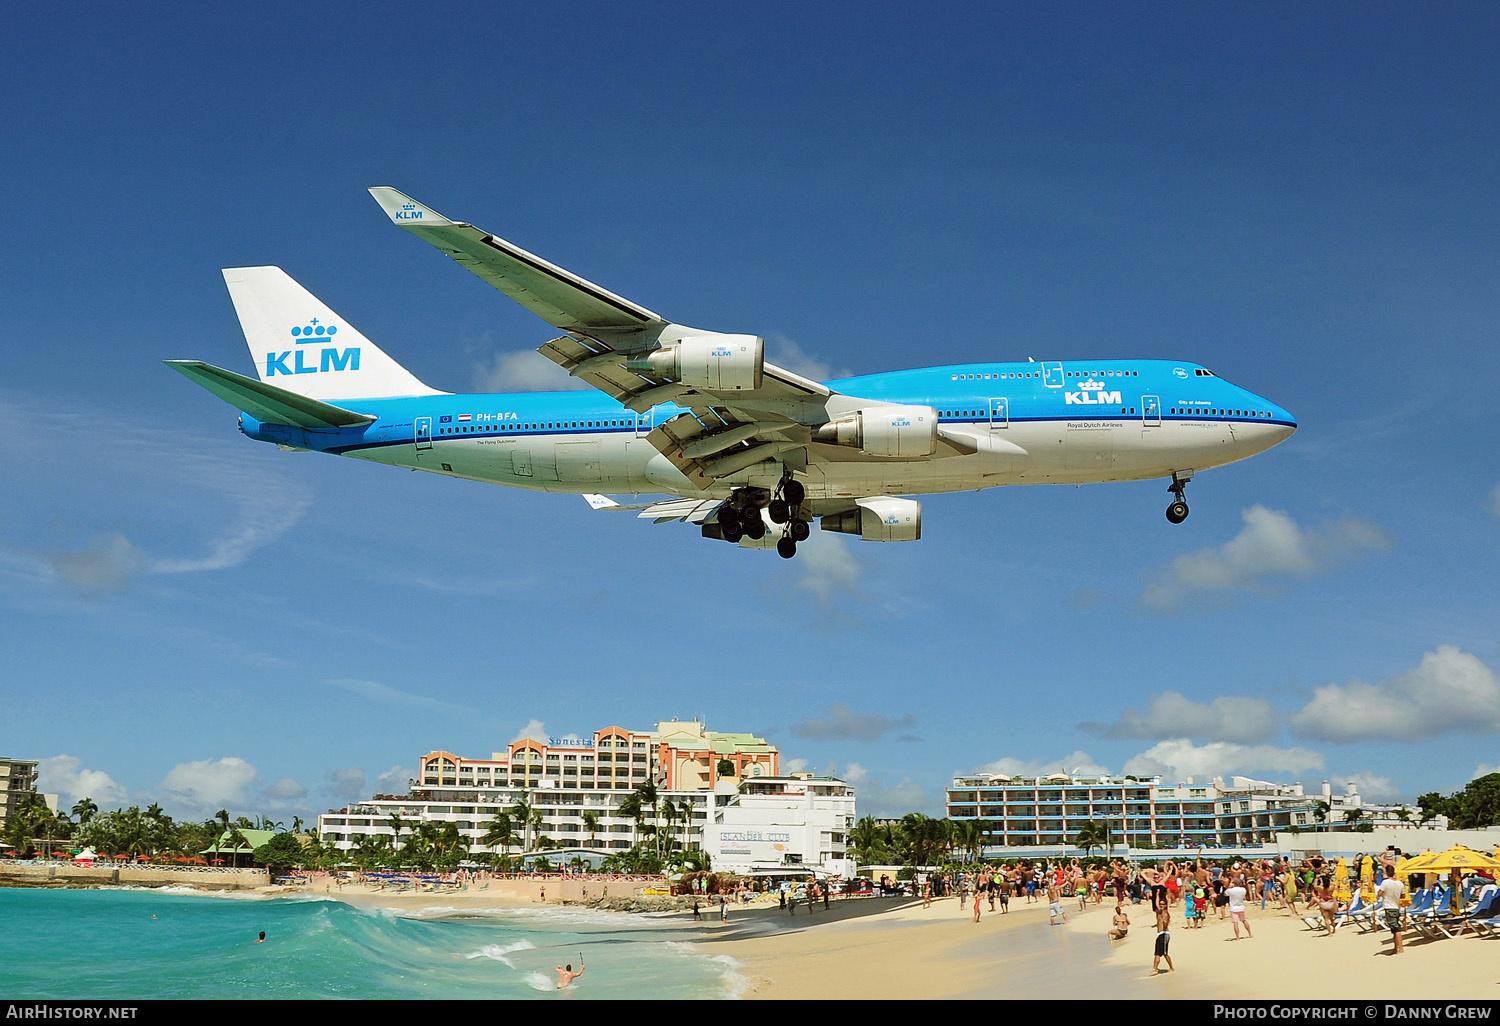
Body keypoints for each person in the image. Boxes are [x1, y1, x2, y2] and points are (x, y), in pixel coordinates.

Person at [1377, 864, 1406, 955]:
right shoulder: (1400, 883)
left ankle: (1400, 948)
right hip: (1396, 907)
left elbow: (1380, 893)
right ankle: (1395, 948)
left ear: (1386, 872)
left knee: (1396, 929)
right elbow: (1403, 895)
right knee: (1394, 929)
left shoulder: (1385, 882)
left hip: (1389, 907)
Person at [1149, 902, 1173, 976]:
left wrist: (1165, 922)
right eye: (1160, 904)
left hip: (1164, 934)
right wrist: (1157, 893)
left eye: (1163, 904)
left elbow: (1166, 923)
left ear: (1165, 905)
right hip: (1159, 935)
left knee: (1165, 953)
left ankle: (1171, 967)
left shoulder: (1166, 914)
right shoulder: (1159, 914)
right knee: (1157, 953)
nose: (1161, 906)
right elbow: (1155, 903)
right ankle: (1155, 969)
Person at [1226, 874, 1252, 939]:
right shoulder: (1243, 890)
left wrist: (1230, 886)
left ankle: (1237, 937)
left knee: (1235, 923)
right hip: (1241, 907)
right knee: (1244, 920)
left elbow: (1225, 893)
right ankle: (1250, 933)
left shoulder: (1231, 890)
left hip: (1234, 908)